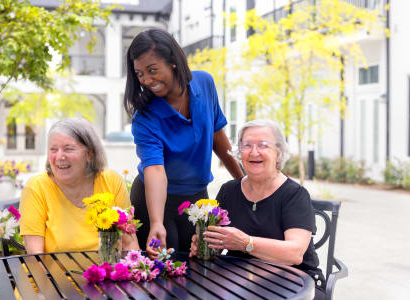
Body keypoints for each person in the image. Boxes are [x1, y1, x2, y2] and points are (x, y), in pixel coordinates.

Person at [124, 28, 243, 258]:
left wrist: (243, 180)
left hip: (196, 198)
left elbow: (218, 139)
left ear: (173, 61)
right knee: (160, 273)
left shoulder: (205, 84)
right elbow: (156, 169)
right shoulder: (145, 117)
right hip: (155, 201)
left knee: (199, 266)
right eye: (139, 74)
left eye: (152, 70)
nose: (147, 80)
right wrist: (157, 222)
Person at [190, 119, 326, 300]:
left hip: (297, 284)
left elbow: (295, 254)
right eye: (247, 146)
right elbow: (219, 242)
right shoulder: (228, 190)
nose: (254, 152)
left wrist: (246, 243)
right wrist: (206, 244)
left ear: (278, 152)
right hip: (241, 280)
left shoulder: (295, 194)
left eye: (263, 145)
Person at [19, 118, 139, 254]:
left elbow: (130, 245)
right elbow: (35, 258)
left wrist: (134, 271)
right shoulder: (37, 187)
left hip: (108, 273)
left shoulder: (111, 180)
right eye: (53, 149)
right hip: (54, 275)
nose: (59, 156)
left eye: (68, 149)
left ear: (89, 154)